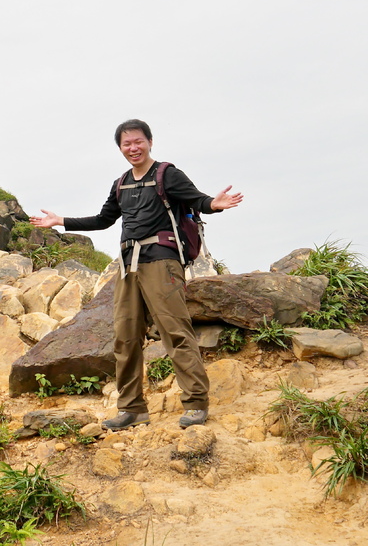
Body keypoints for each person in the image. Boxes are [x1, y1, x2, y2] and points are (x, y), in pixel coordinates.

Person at [29, 119, 243, 431]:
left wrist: (215, 204)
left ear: (150, 142)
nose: (133, 148)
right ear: (120, 148)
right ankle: (132, 409)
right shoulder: (121, 183)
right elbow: (104, 219)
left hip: (162, 262)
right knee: (125, 336)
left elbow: (196, 200)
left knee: (175, 332)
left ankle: (196, 403)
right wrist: (61, 220)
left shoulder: (167, 174)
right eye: (126, 144)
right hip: (128, 266)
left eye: (138, 142)